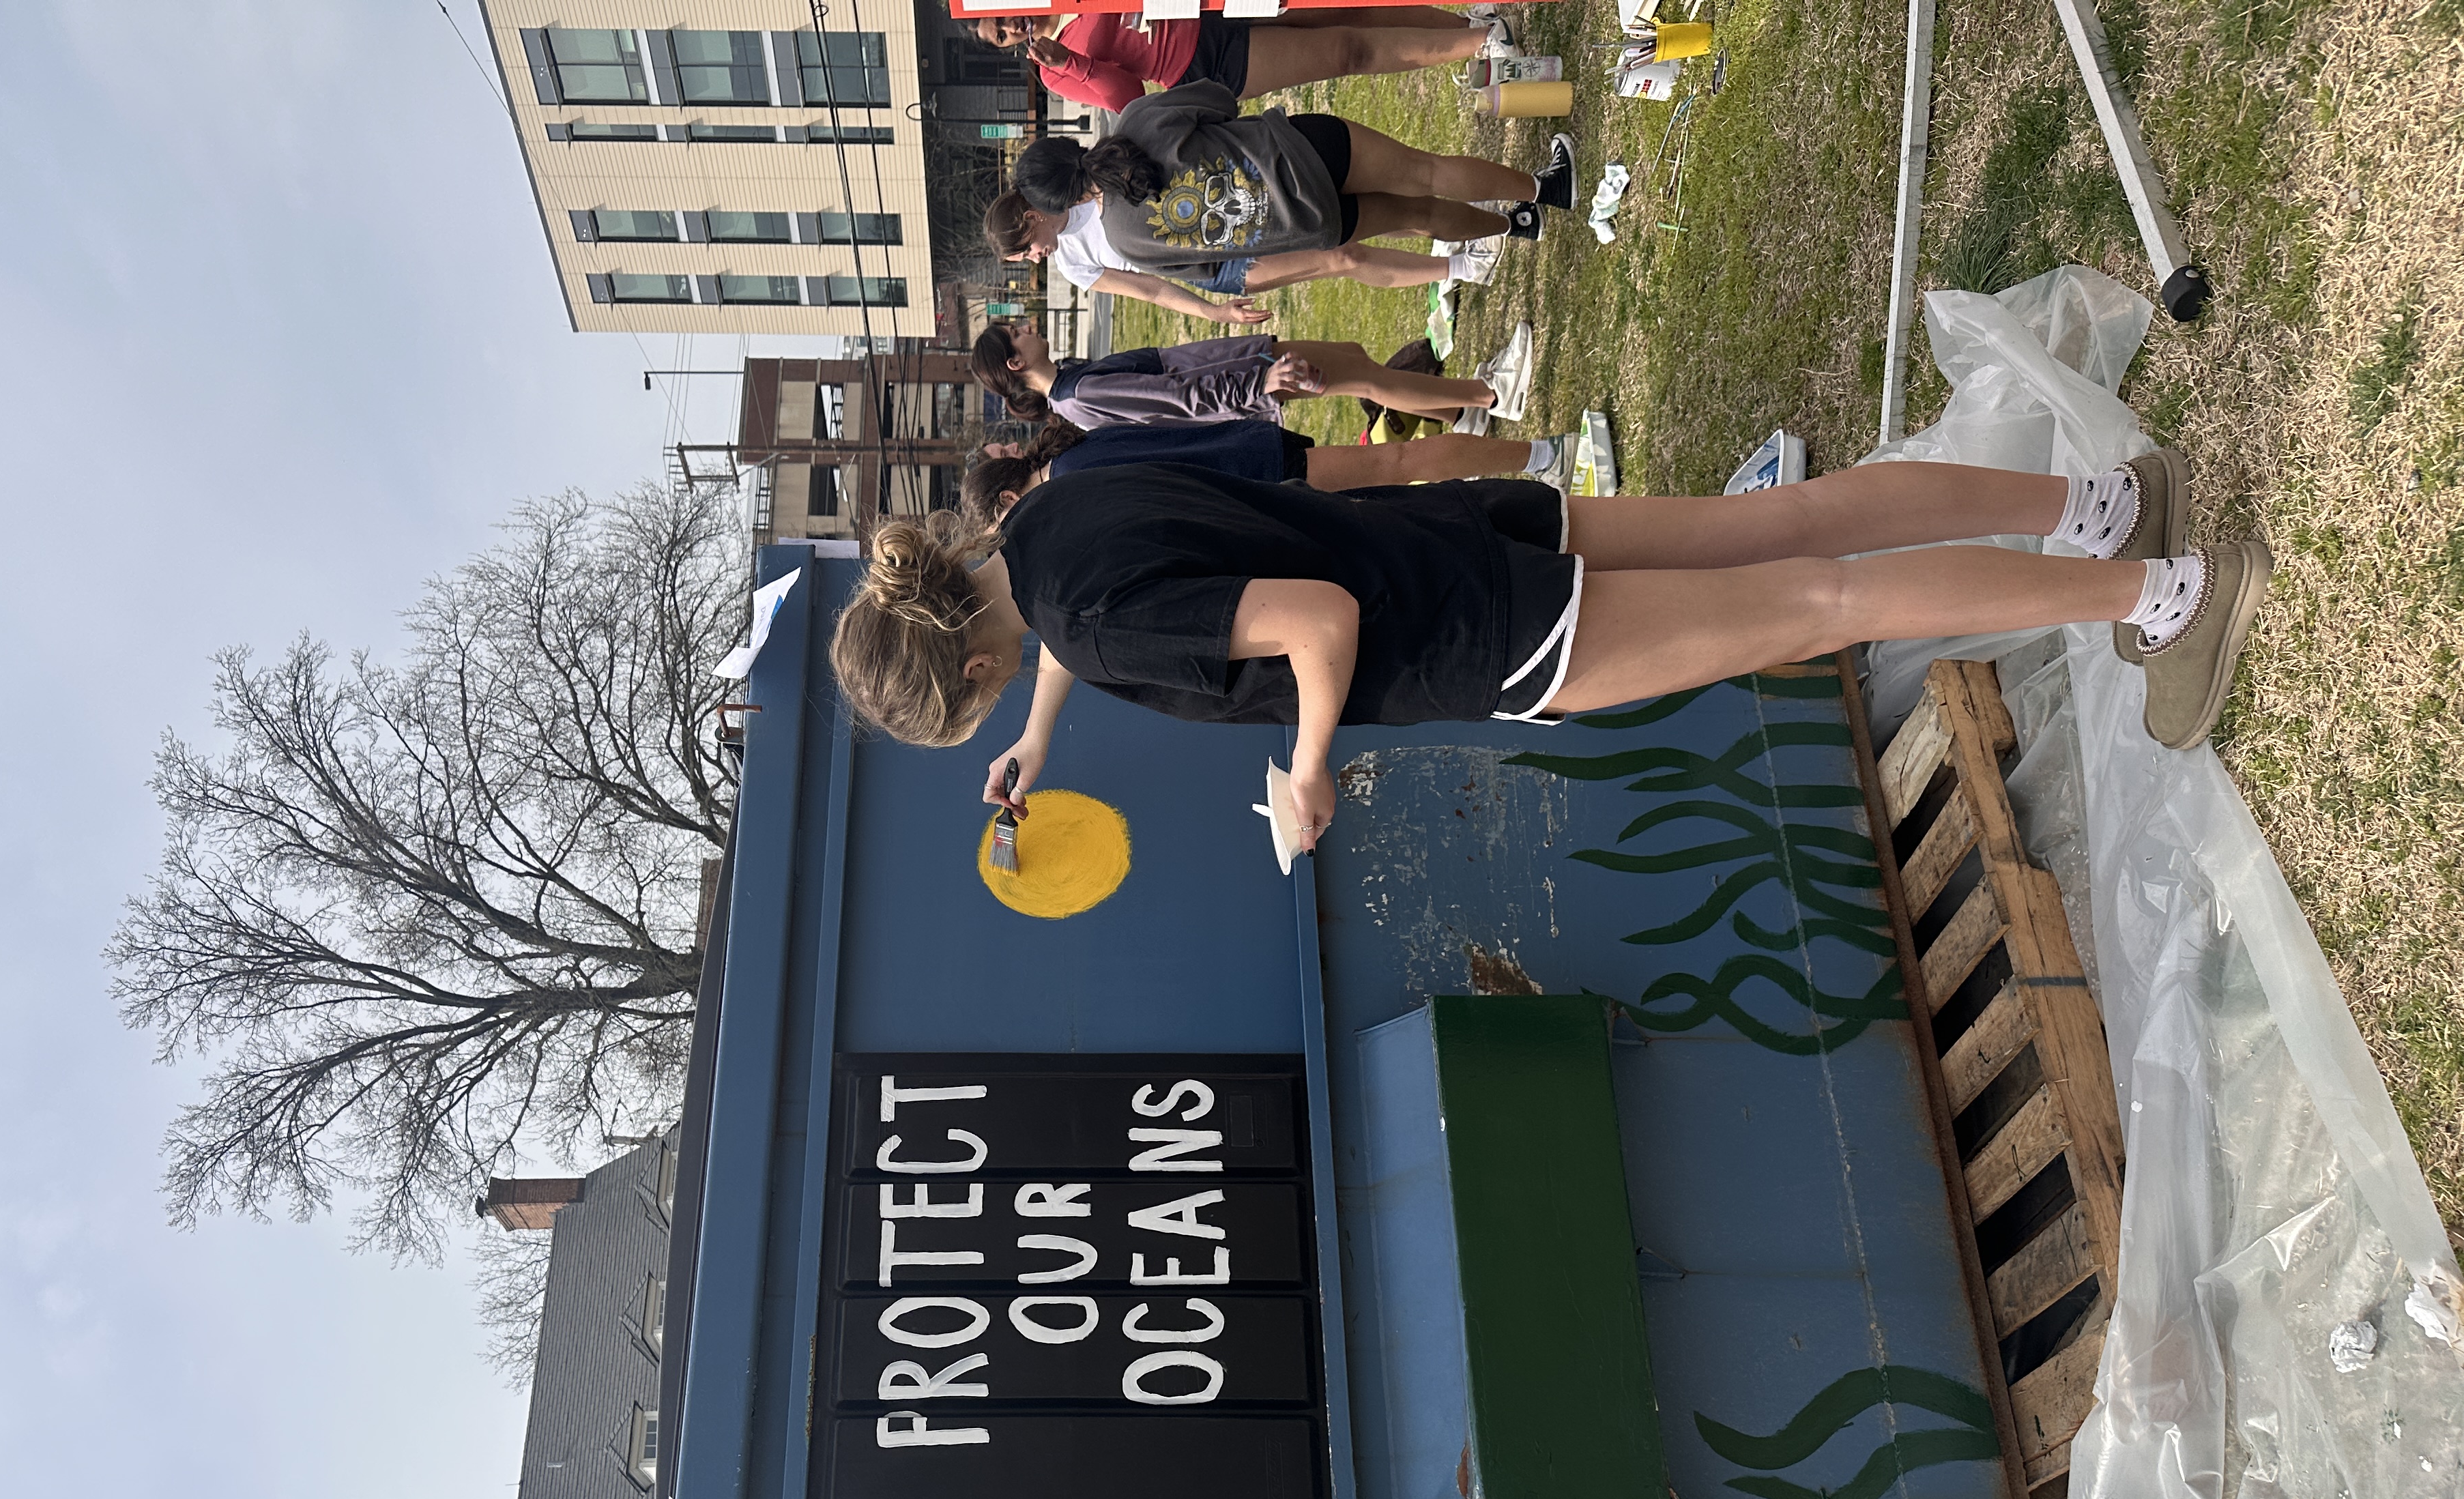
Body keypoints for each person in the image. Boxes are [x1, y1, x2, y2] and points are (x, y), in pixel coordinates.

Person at [824, 452, 2269, 851]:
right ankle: (2095, 510)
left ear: (962, 671)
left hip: (1486, 634)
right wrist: (1044, 735)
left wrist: (1311, 773)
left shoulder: (1084, 621)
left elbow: (1312, 631)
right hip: (1465, 532)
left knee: (1827, 603)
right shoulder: (1048, 526)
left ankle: (2159, 592)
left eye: (981, 717)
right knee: (1800, 522)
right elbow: (1108, 614)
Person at [1011, 85, 1578, 300]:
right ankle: (1544, 189)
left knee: (1422, 215)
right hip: (1302, 149)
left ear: (1065, 203)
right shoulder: (1135, 121)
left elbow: (1211, 273)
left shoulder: (1126, 244)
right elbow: (1218, 101)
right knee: (1427, 173)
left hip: (1312, 225)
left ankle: (1515, 227)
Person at [982, 190, 1497, 318]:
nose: (1036, 261)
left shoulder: (1087, 186)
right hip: (1224, 268)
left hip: (1230, 212)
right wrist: (1212, 309)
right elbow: (1147, 288)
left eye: (1026, 252)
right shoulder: (1073, 264)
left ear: (1031, 219)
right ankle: (1463, 267)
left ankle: (1460, 230)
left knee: (1354, 212)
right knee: (1343, 257)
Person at [971, 319, 1524, 435]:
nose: (1027, 325)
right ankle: (1491, 395)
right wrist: (1259, 383)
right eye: (1017, 332)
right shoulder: (1081, 393)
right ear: (1016, 364)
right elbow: (1178, 397)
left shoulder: (1072, 388)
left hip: (1247, 368)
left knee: (1354, 357)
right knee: (1365, 379)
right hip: (1248, 376)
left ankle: (1460, 410)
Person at [970, 7, 1511, 118]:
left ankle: (1467, 23)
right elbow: (1129, 98)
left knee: (1342, 10)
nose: (1009, 28)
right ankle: (1487, 43)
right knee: (1346, 51)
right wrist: (1077, 63)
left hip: (1212, 6)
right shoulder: (1051, 70)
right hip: (1203, 61)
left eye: (1001, 17)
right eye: (999, 36)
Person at [961, 417, 1563, 514]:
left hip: (1261, 476)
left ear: (1009, 501)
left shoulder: (1072, 485)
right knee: (1394, 471)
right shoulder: (1074, 453)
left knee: (1396, 464)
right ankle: (1540, 460)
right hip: (1254, 453)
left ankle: (1544, 456)